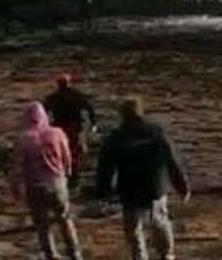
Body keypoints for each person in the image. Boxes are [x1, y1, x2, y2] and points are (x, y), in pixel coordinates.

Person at [97, 97, 190, 260]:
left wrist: (103, 190)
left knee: (133, 229)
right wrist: (181, 185)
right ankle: (167, 254)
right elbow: (171, 160)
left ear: (122, 114)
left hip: (130, 189)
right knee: (160, 222)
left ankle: (140, 256)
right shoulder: (156, 131)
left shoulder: (117, 136)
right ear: (141, 111)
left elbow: (106, 166)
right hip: (155, 186)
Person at [11, 102, 84, 260]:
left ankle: (51, 255)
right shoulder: (56, 133)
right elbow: (66, 155)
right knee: (65, 219)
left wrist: (16, 187)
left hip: (34, 186)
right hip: (56, 182)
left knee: (43, 226)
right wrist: (68, 171)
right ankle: (75, 254)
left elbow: (17, 166)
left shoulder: (23, 139)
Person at [44, 73, 98, 188]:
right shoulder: (78, 96)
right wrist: (93, 124)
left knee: (61, 153)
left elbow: (43, 111)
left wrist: (45, 126)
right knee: (74, 154)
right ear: (70, 83)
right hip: (74, 129)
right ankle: (74, 177)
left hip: (60, 129)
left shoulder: (53, 98)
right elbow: (90, 110)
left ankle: (65, 176)